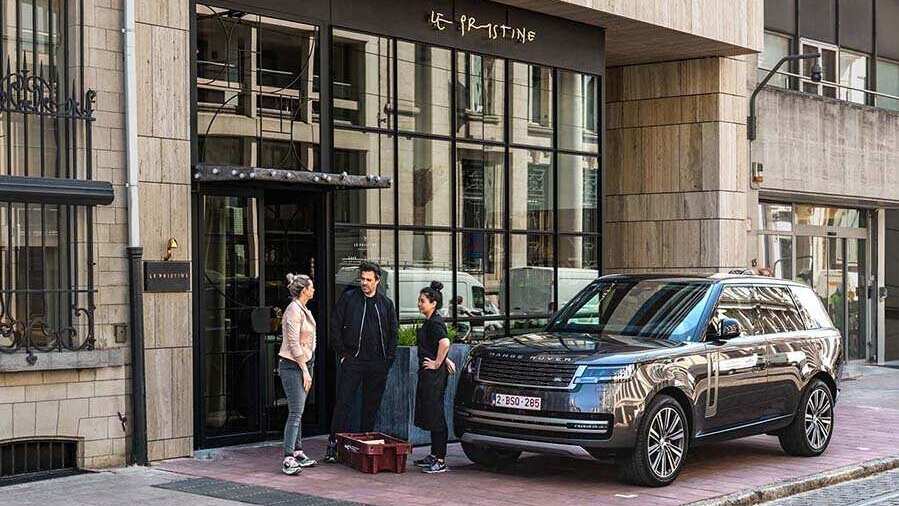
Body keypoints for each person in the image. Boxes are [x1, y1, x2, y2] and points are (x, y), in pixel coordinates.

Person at [324, 261, 398, 463]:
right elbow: (335, 326)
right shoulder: (349, 299)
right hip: (353, 360)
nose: (364, 283)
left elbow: (393, 333)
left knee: (371, 406)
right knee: (343, 403)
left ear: (377, 281)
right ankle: (333, 445)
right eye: (362, 279)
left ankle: (365, 447)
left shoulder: (386, 304)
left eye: (368, 279)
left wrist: (388, 359)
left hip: (378, 363)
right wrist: (343, 354)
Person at [278, 273, 317, 475]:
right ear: (304, 291)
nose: (313, 290)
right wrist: (304, 370)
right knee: (295, 412)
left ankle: (298, 451)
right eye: (311, 287)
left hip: (303, 364)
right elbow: (293, 344)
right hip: (292, 366)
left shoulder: (302, 309)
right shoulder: (293, 310)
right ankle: (288, 457)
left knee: (298, 410)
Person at [413, 281, 453, 474]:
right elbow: (435, 345)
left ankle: (440, 459)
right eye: (419, 301)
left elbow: (444, 342)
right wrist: (445, 360)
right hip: (430, 373)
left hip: (434, 376)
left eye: (422, 301)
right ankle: (434, 454)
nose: (419, 304)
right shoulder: (430, 321)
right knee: (430, 412)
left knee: (436, 414)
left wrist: (438, 363)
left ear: (433, 303)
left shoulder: (435, 322)